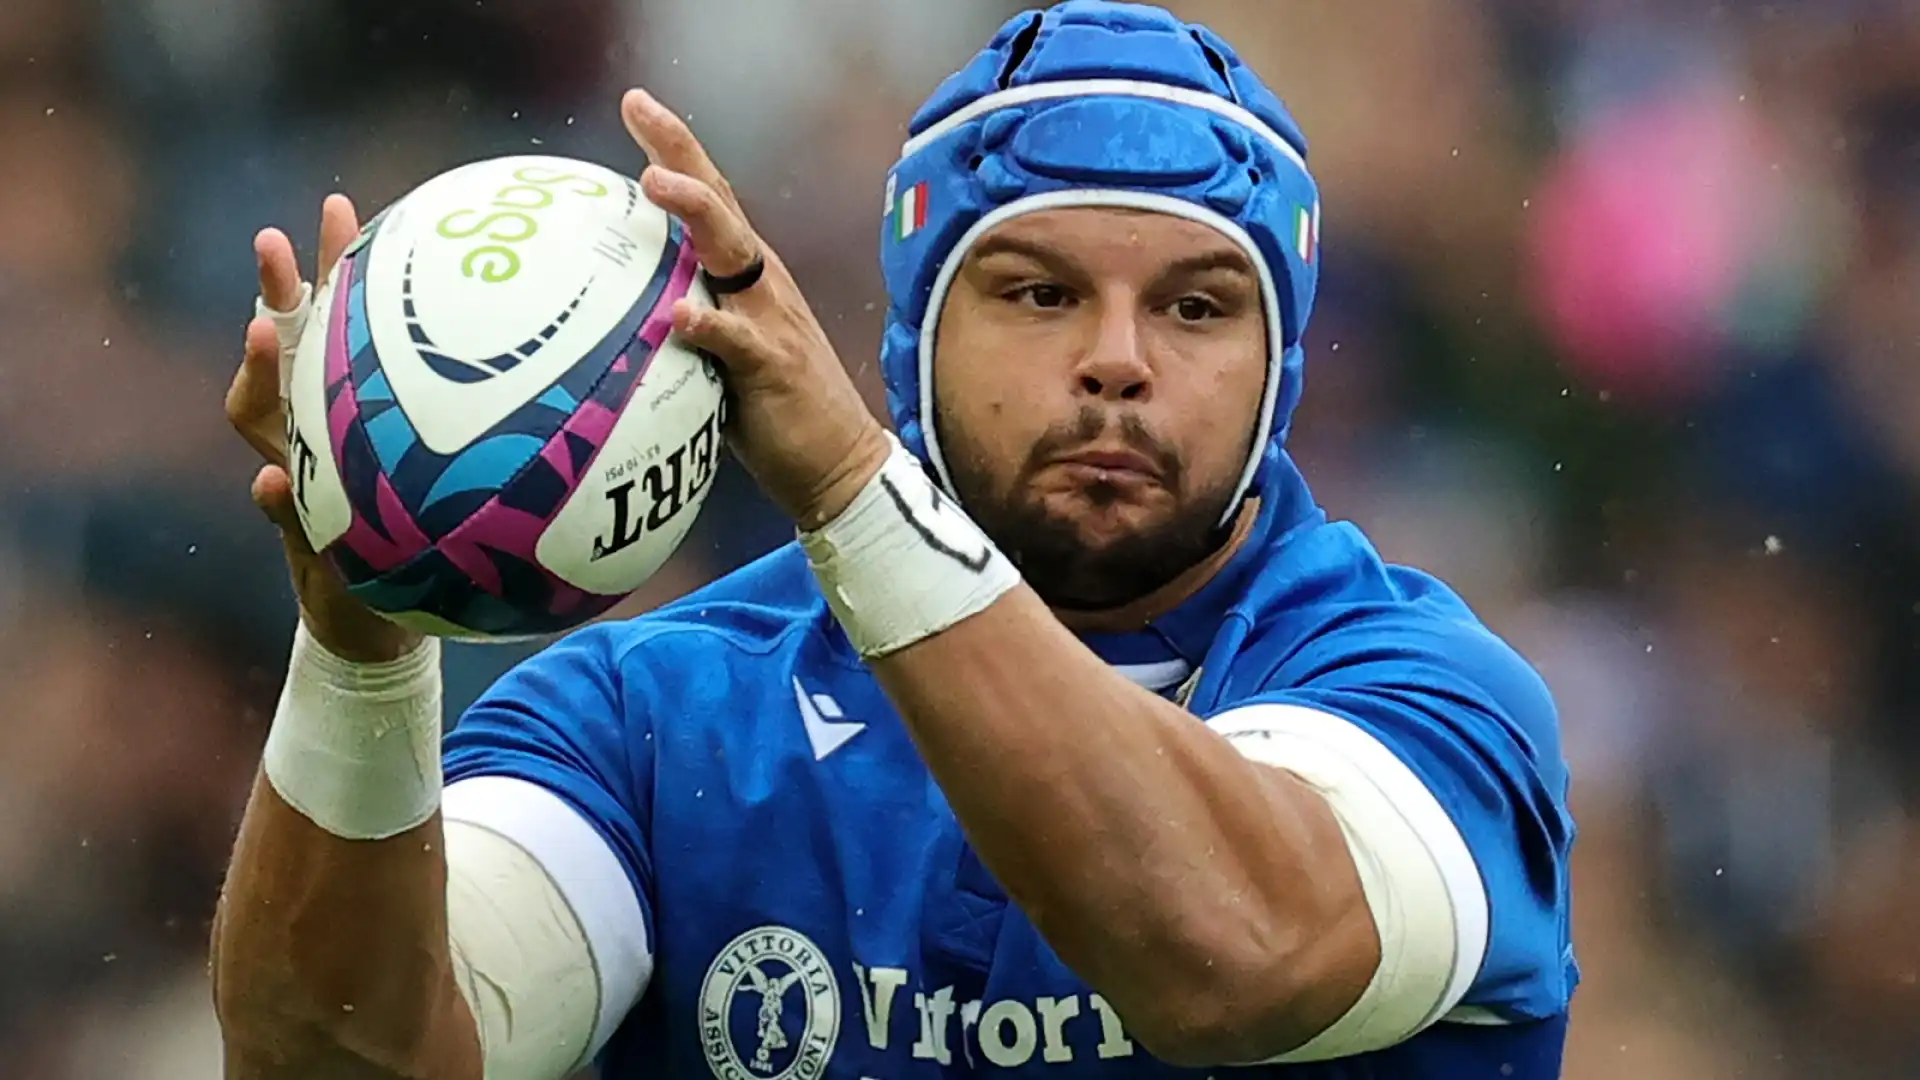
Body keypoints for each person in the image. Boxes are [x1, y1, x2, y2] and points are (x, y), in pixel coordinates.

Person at [211, 3, 1576, 1078]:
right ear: (917, 339)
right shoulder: (656, 720)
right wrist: (362, 639)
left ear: (1280, 368)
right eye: (1039, 293)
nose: (1116, 361)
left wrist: (858, 491)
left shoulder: (1431, 701)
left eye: (1199, 307)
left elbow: (1230, 954)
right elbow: (346, 1062)